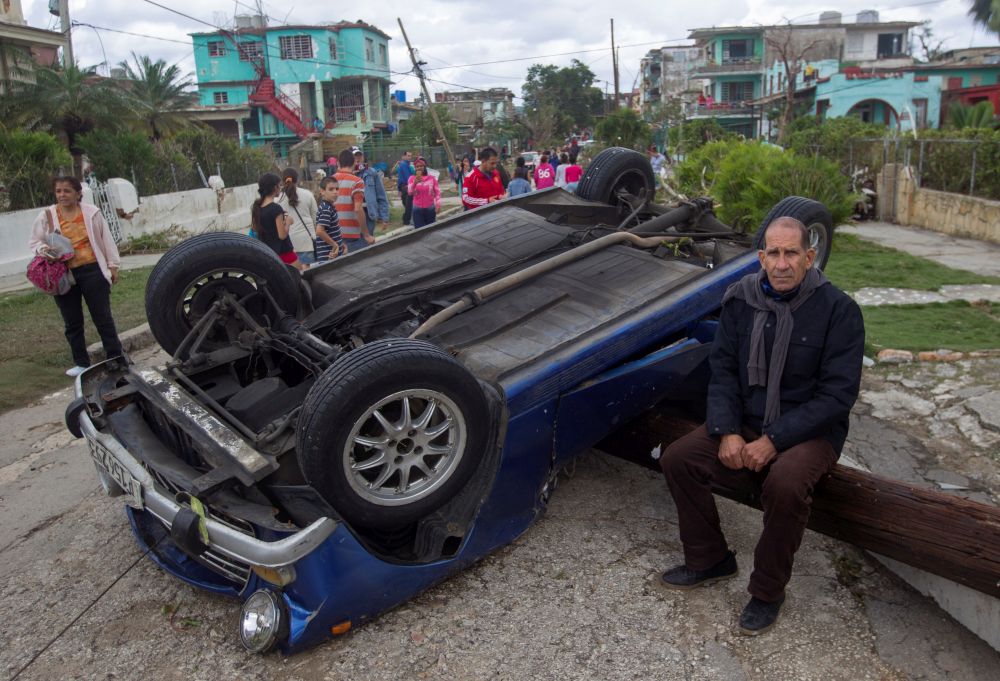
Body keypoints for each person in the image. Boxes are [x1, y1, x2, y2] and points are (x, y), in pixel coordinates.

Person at [656, 217, 865, 636]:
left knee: (785, 483)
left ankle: (768, 591)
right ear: (760, 257)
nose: (782, 263)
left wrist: (775, 441)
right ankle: (710, 559)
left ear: (809, 257)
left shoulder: (839, 311)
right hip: (748, 420)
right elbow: (724, 373)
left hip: (810, 430)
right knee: (679, 458)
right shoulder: (740, 300)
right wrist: (728, 429)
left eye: (792, 253)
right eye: (774, 253)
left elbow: (836, 397)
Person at [30, 176, 123, 377]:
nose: (62, 195)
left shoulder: (92, 213)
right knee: (72, 322)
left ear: (78, 193)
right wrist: (45, 249)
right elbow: (35, 242)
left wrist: (112, 266)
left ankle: (116, 358)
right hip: (63, 275)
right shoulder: (47, 216)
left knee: (103, 318)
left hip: (92, 271)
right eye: (58, 191)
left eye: (67, 191)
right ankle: (81, 363)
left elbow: (106, 240)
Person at [252, 173, 303, 272]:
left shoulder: (257, 207)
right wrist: (288, 222)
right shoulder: (276, 208)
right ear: (275, 187)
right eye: (279, 185)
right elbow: (282, 235)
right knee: (299, 278)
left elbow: (255, 228)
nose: (280, 188)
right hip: (284, 252)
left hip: (269, 252)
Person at [333, 149, 375, 253]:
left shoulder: (329, 180)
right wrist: (366, 234)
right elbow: (358, 209)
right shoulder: (357, 181)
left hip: (333, 235)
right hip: (352, 236)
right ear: (354, 163)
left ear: (338, 163)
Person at [277, 168, 319, 267]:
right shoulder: (308, 194)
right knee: (307, 273)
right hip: (306, 241)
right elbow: (316, 218)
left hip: (287, 244)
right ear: (297, 180)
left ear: (283, 181)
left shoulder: (278, 199)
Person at [354, 149, 390, 240]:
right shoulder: (347, 174)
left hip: (369, 213)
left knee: (367, 241)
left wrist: (384, 217)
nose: (358, 159)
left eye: (360, 156)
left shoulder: (372, 173)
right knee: (355, 243)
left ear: (363, 157)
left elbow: (381, 195)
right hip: (353, 214)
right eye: (355, 156)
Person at [314, 176, 346, 261]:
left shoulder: (328, 206)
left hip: (334, 253)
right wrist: (335, 245)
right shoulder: (326, 208)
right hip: (328, 256)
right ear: (322, 191)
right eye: (331, 189)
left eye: (337, 189)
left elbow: (332, 230)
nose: (335, 192)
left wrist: (340, 243)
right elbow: (319, 231)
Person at [407, 157, 441, 228]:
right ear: (415, 168)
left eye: (421, 166)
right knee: (420, 231)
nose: (419, 168)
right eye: (417, 166)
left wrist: (438, 204)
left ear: (425, 167)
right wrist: (414, 183)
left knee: (431, 229)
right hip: (417, 209)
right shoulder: (411, 178)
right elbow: (410, 192)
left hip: (430, 208)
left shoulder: (431, 178)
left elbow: (437, 192)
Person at [393, 150, 415, 225]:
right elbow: (408, 177)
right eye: (408, 156)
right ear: (404, 156)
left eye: (410, 156)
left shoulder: (406, 165)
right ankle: (408, 220)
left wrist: (399, 189)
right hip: (407, 186)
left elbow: (399, 178)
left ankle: (406, 219)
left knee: (407, 204)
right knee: (409, 205)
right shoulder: (404, 165)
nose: (409, 157)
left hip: (404, 187)